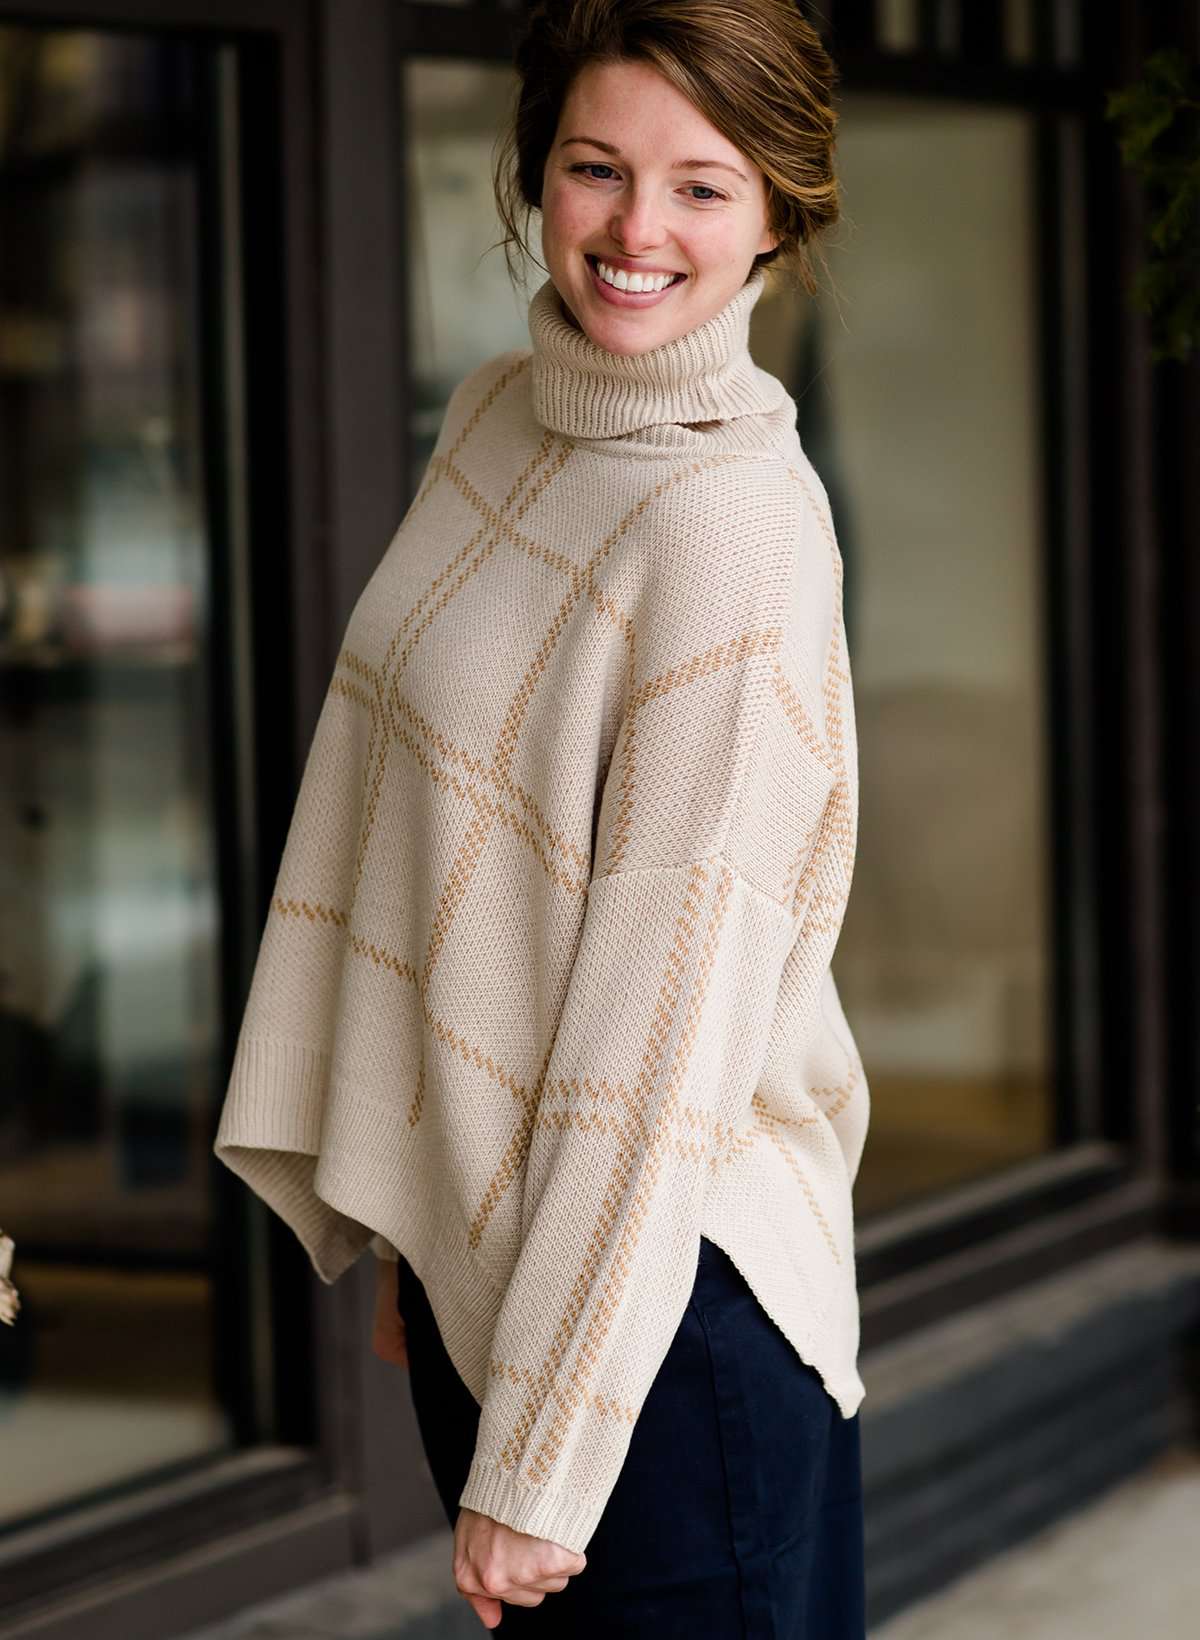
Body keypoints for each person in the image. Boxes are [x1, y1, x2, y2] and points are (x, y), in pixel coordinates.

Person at [214, 1, 869, 1634]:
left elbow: (660, 1045)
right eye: (596, 169)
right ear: (535, 174)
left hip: (665, 1346)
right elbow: (417, 835)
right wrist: (418, 1213)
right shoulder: (501, 416)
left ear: (779, 212)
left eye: (703, 188)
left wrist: (545, 1449)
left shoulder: (734, 538)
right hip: (517, 1288)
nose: (638, 232)